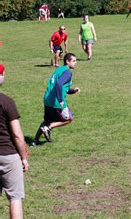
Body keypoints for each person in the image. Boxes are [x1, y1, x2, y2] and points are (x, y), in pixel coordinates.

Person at [0, 64, 29, 219]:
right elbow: (17, 134)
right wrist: (23, 157)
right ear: (2, 76)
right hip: (8, 156)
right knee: (15, 198)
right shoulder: (6, 101)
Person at [32, 53, 80, 146]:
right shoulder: (67, 72)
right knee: (69, 118)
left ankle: (35, 141)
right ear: (67, 61)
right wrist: (60, 100)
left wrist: (73, 90)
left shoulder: (59, 69)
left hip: (48, 98)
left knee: (47, 120)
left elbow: (62, 87)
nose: (75, 63)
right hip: (56, 101)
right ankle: (49, 128)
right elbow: (59, 84)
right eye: (73, 61)